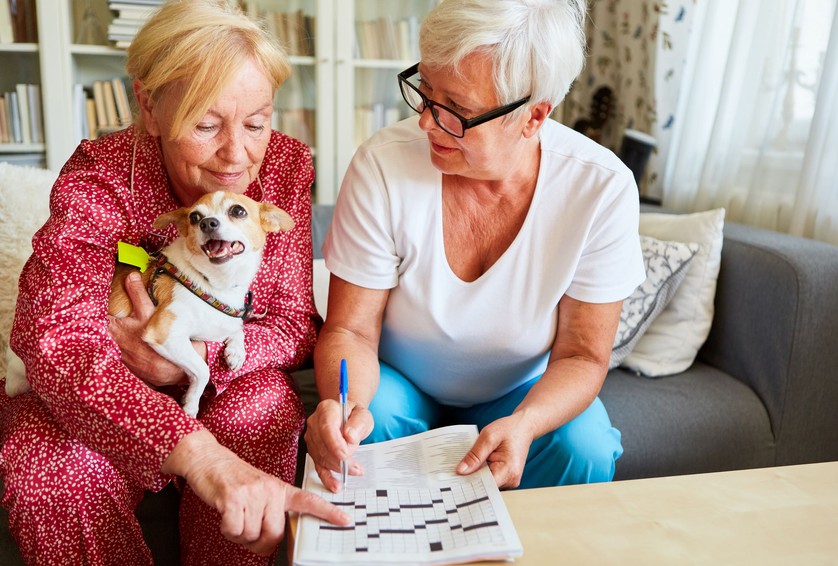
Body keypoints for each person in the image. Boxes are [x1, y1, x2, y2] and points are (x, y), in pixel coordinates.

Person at [0, 1, 349, 563]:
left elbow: (290, 324)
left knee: (263, 414)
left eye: (256, 122)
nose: (237, 154)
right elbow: (53, 339)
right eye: (205, 125)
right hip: (101, 381)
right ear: (149, 106)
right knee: (52, 471)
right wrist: (196, 453)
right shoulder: (100, 174)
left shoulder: (285, 164)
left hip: (225, 374)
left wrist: (190, 354)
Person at [304, 0, 645, 494]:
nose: (426, 123)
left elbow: (582, 356)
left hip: (518, 392)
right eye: (425, 91)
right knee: (363, 430)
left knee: (583, 445)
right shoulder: (382, 165)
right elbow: (351, 330)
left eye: (456, 110)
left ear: (533, 117)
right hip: (398, 383)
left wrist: (525, 423)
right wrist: (345, 407)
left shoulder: (600, 188)